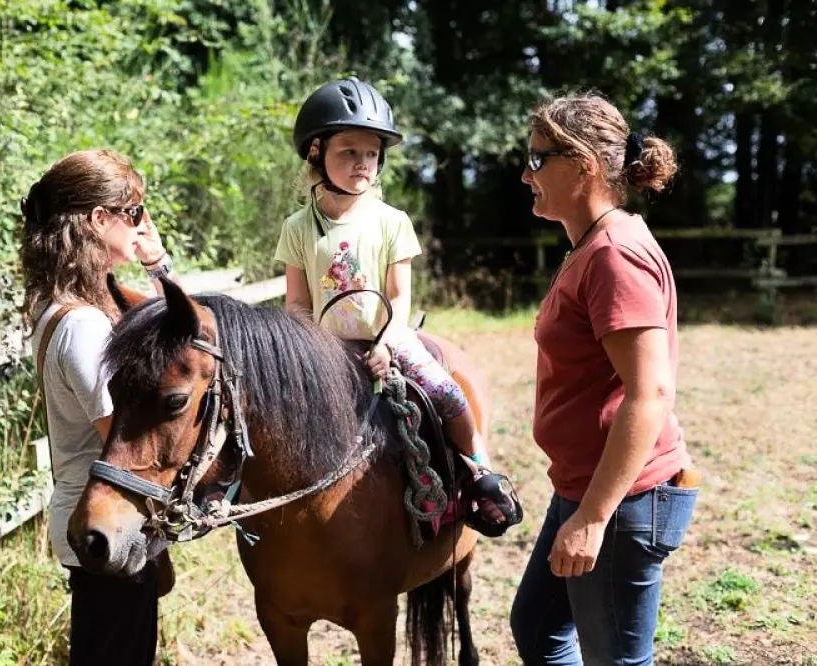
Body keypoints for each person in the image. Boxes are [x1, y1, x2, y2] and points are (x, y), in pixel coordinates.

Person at [273, 76, 523, 536]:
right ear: (316, 153)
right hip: (324, 347)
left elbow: (399, 296)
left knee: (446, 393)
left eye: (371, 153)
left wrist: (387, 341)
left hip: (388, 335)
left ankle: (481, 474)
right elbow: (296, 303)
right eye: (349, 151)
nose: (362, 163)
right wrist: (311, 354)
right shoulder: (297, 227)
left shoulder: (392, 221)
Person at [510, 92, 701, 665]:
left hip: (622, 501)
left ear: (586, 164)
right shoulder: (589, 247)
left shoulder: (614, 254)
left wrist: (592, 518)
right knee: (539, 627)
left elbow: (650, 394)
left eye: (539, 159)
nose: (526, 174)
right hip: (585, 484)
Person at [19, 149, 177, 665]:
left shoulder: (67, 306)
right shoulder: (83, 325)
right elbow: (125, 437)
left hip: (101, 518)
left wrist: (157, 265)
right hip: (103, 525)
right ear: (98, 219)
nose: (143, 225)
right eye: (133, 213)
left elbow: (179, 332)